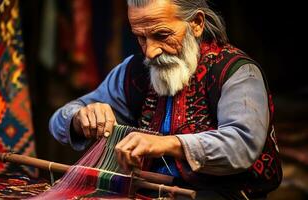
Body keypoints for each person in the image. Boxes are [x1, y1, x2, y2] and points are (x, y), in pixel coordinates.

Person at [49, 0, 282, 198]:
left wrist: (169, 144)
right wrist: (80, 117)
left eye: (161, 35)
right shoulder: (134, 71)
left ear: (197, 24)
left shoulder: (237, 73)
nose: (150, 52)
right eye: (141, 38)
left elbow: (241, 145)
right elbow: (58, 121)